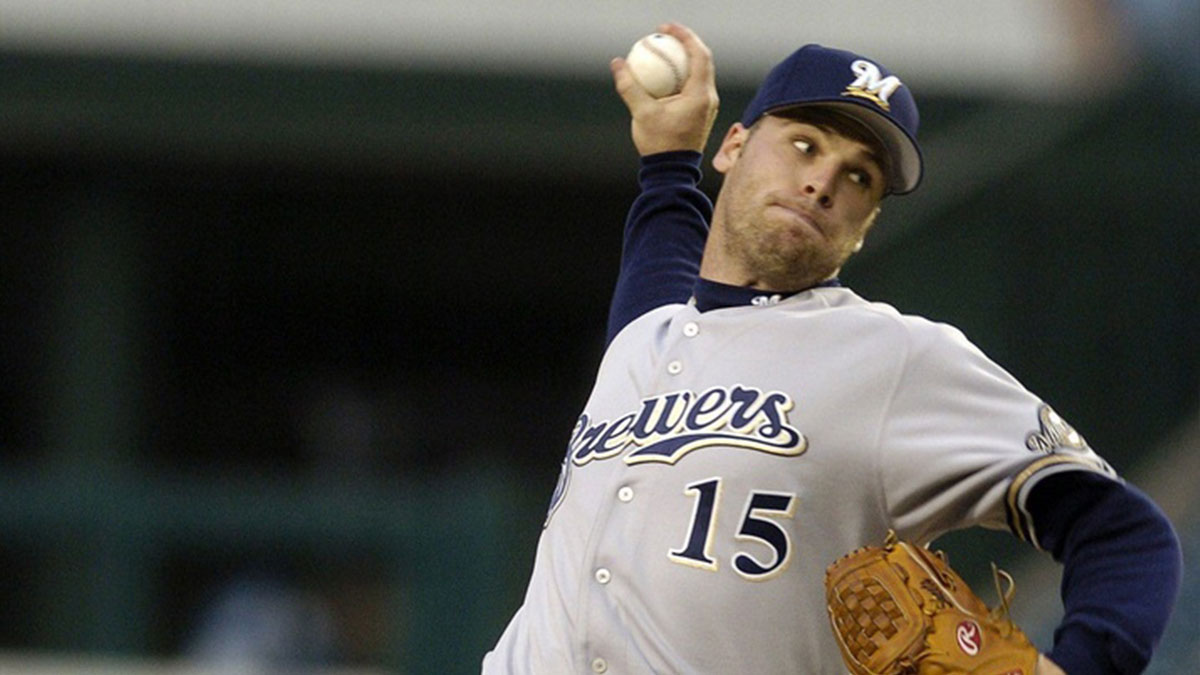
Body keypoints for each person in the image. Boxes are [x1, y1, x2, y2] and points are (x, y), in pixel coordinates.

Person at [482, 23, 1181, 674]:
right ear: (731, 146)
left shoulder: (895, 356)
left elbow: (1126, 533)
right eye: (805, 144)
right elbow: (663, 280)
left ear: (866, 223)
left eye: (859, 177)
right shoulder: (646, 337)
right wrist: (667, 160)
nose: (821, 183)